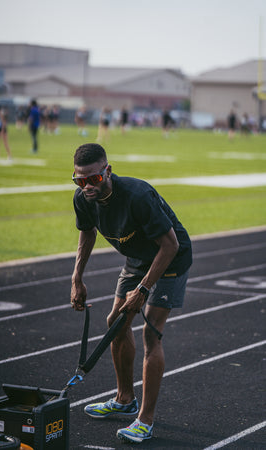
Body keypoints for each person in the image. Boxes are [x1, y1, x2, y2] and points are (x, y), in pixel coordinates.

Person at [70, 143, 192, 444]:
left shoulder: (138, 196)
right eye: (80, 180)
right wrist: (77, 278)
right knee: (116, 321)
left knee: (152, 331)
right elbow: (87, 232)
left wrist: (144, 288)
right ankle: (125, 400)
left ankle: (145, 421)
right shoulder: (83, 198)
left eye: (94, 179)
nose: (87, 186)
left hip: (170, 258)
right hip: (138, 258)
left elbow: (171, 245)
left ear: (107, 171)